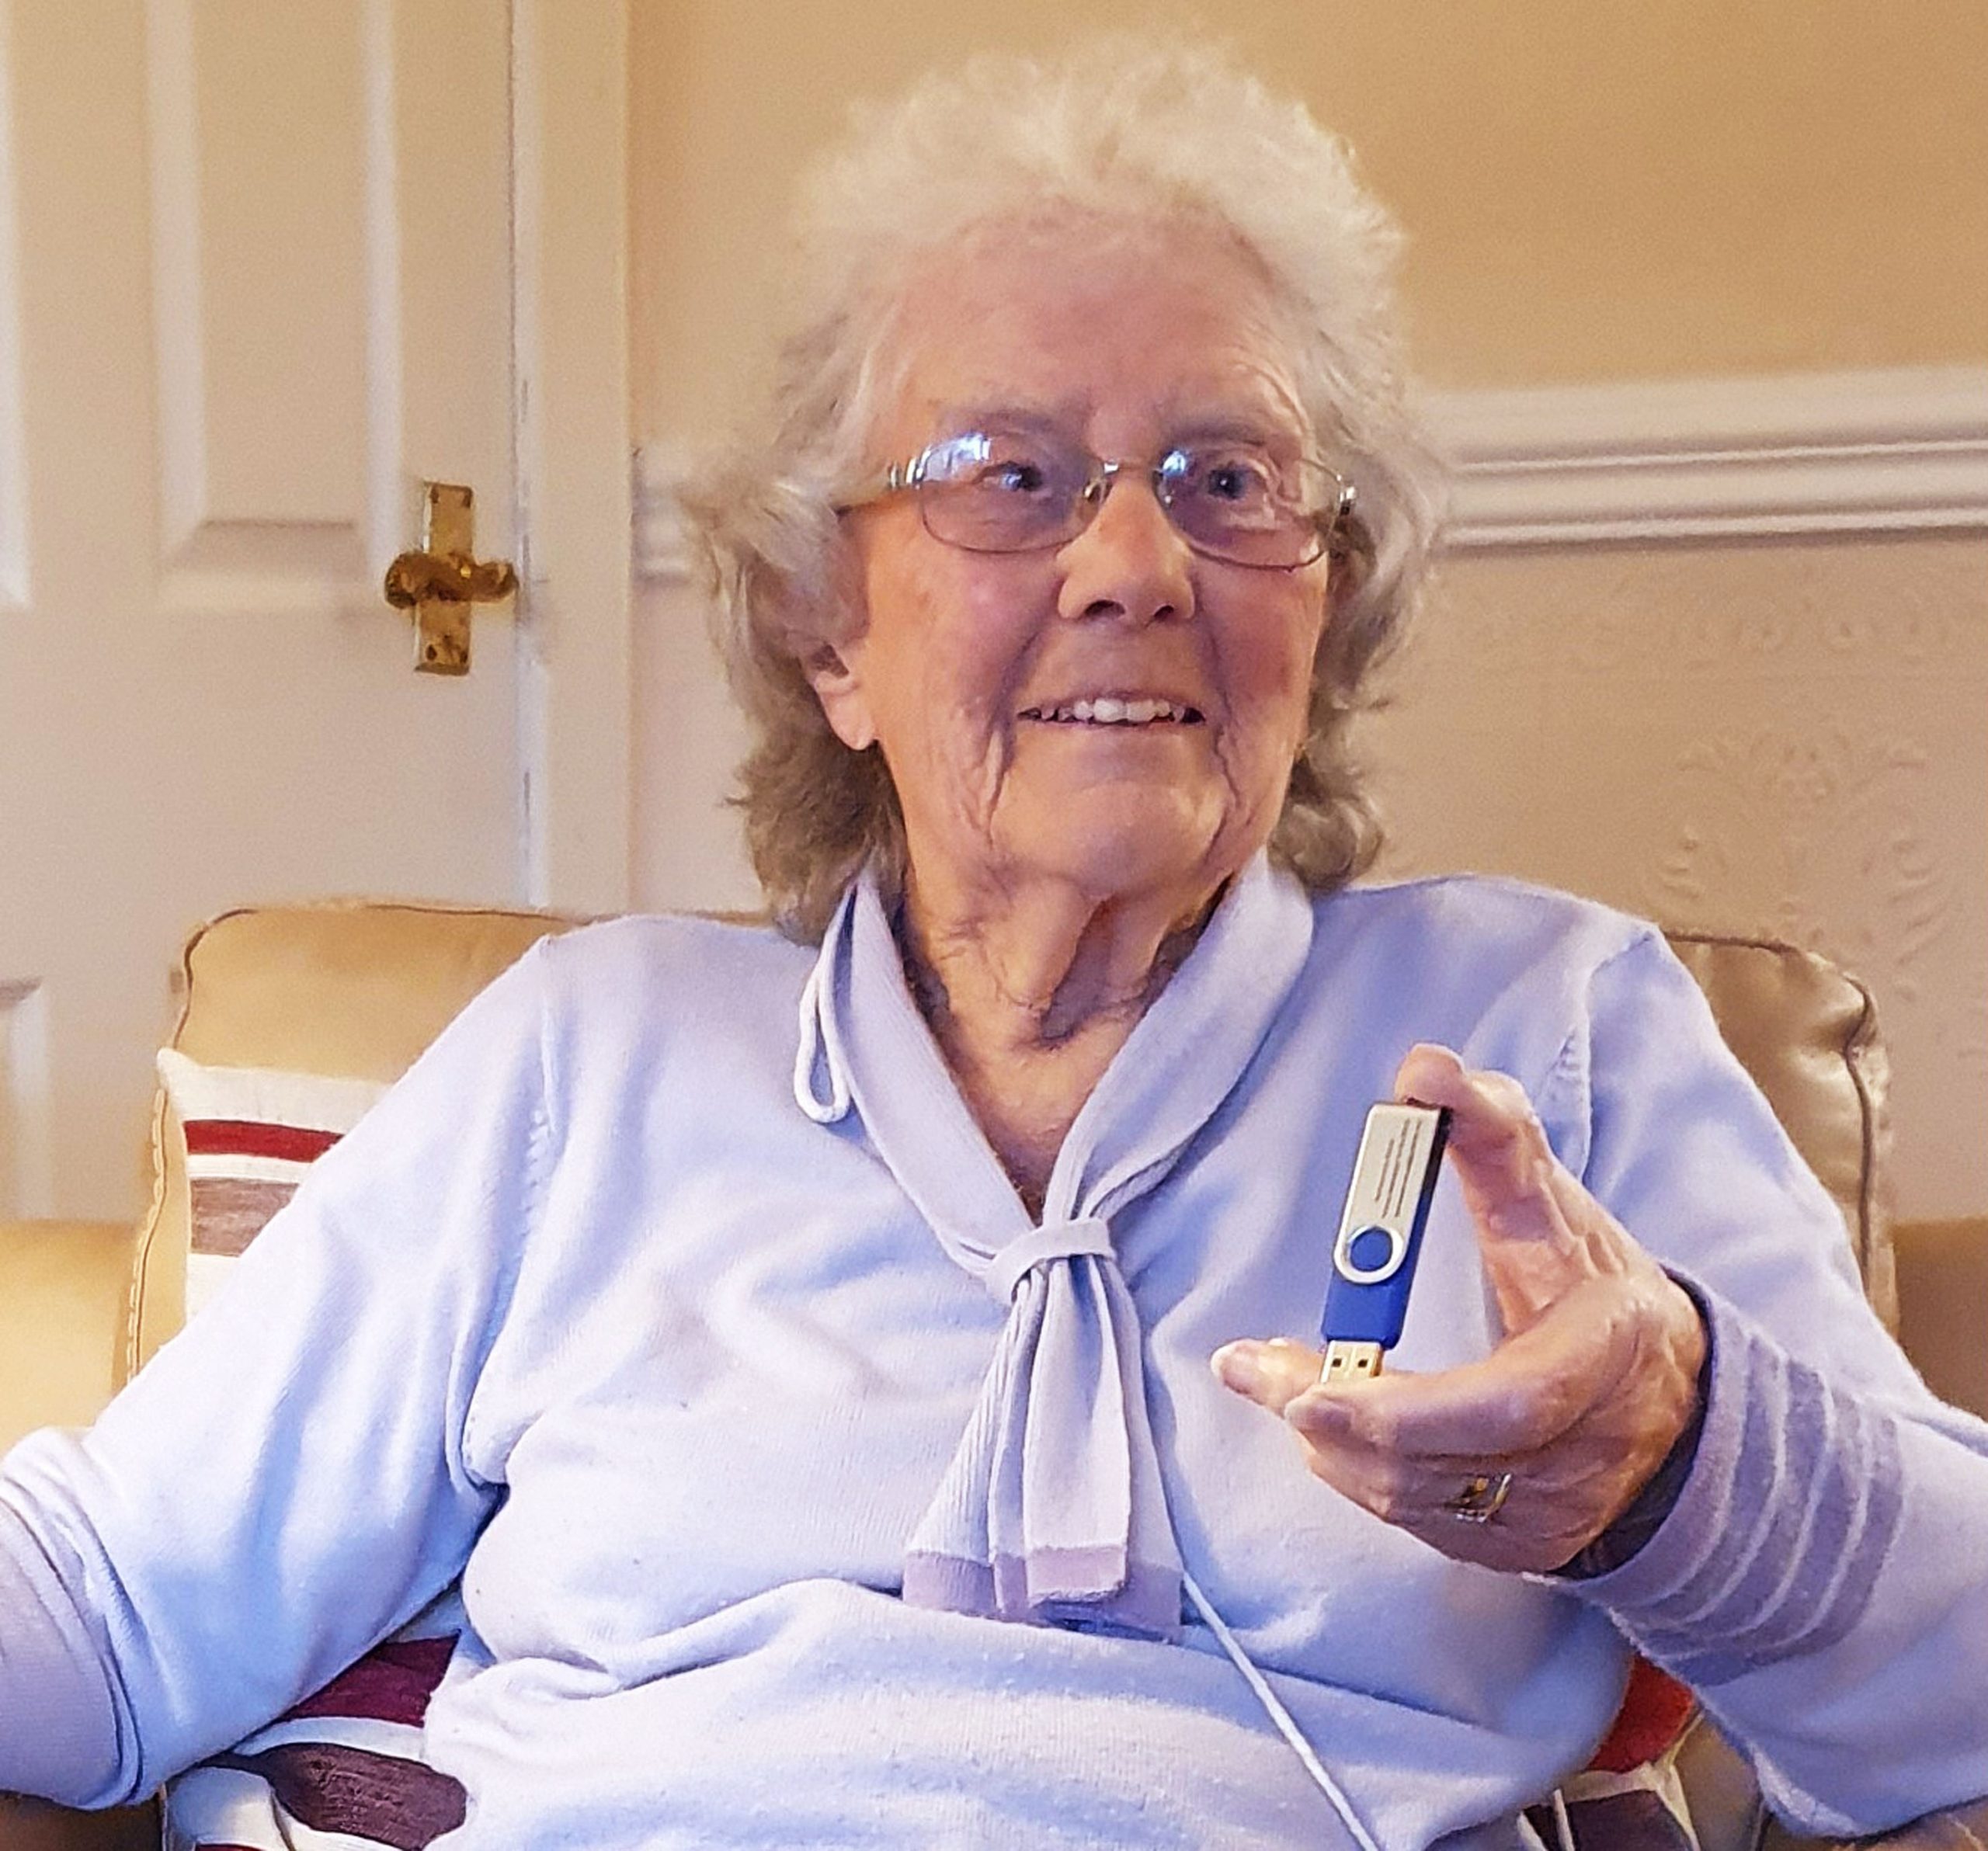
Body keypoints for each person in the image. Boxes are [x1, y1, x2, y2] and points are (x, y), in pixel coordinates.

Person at [4, 39, 1986, 1850]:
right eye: (1007, 478)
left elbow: (1952, 1703)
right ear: (826, 630)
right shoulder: (587, 1060)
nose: (1132, 564)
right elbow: (111, 1611)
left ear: (1323, 600)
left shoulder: (1541, 1037)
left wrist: (1677, 1467)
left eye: (1227, 480)